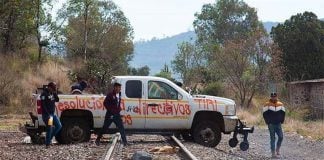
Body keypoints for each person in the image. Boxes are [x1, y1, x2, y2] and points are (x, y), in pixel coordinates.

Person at [263, 92, 285, 158]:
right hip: (271, 124)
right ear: (270, 97)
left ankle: (277, 149)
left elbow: (283, 113)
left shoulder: (280, 104)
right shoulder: (267, 104)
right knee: (272, 138)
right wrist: (268, 122)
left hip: (278, 124)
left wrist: (282, 121)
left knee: (281, 137)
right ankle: (273, 153)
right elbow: (264, 114)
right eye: (272, 96)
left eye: (274, 96)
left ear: (276, 97)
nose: (273, 97)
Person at [40, 82, 62, 148]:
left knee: (59, 126)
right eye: (52, 88)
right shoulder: (44, 94)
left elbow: (57, 100)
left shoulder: (52, 93)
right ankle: (47, 144)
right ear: (49, 87)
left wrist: (55, 93)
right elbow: (43, 105)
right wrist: (48, 114)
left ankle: (49, 139)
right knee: (49, 128)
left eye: (54, 89)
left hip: (53, 114)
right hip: (48, 115)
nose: (53, 90)